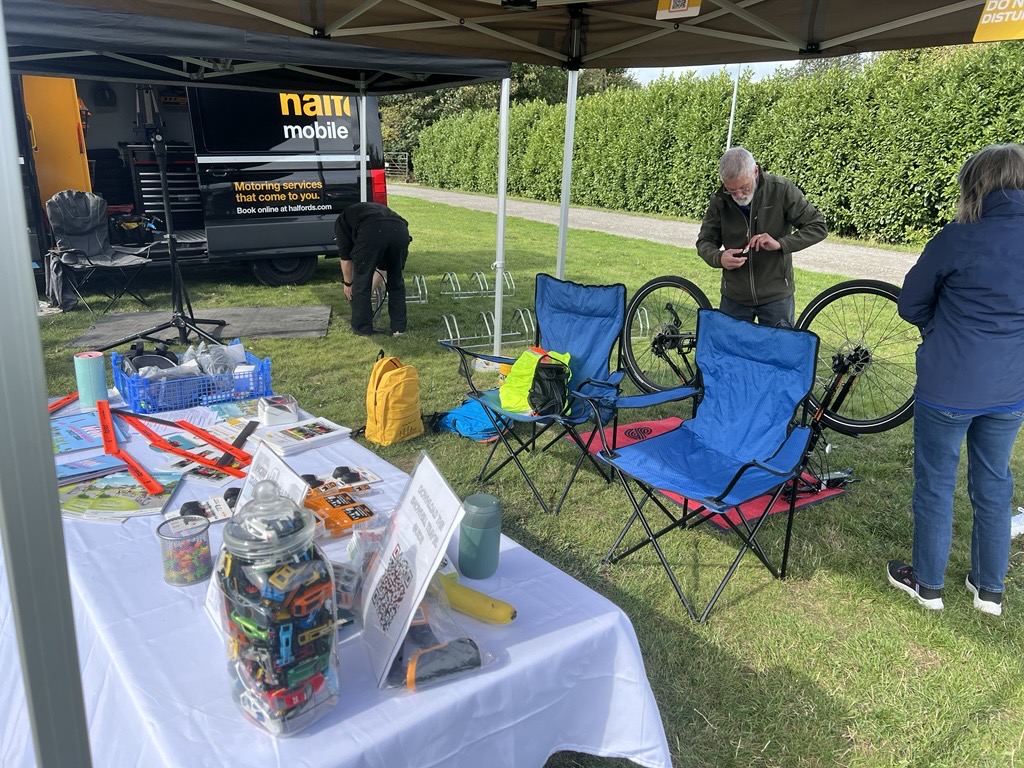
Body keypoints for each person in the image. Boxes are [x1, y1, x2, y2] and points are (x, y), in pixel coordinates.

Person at [887, 143, 1024, 617]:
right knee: (994, 484)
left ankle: (928, 585)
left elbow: (910, 303)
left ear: (976, 184)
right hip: (1009, 388)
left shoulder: (958, 236)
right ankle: (990, 590)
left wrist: (936, 327)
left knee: (936, 483)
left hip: (949, 383)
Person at [696, 146, 827, 326]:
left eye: (744, 187)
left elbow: (818, 226)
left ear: (755, 171)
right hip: (734, 298)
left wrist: (781, 244)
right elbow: (704, 242)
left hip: (776, 297)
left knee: (777, 353)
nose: (739, 195)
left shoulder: (781, 190)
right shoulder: (719, 200)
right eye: (731, 190)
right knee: (733, 353)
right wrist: (719, 258)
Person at [334, 202, 412, 336]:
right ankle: (399, 328)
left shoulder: (341, 222)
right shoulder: (362, 212)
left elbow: (346, 258)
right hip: (399, 230)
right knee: (396, 280)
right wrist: (368, 291)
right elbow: (383, 268)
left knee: (361, 280)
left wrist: (348, 283)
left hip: (372, 229)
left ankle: (362, 329)